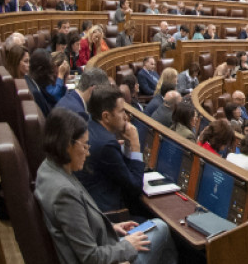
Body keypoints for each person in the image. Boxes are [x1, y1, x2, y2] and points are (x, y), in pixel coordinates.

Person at [35, 108, 177, 264]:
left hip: (104, 241)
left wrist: (110, 226)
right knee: (161, 228)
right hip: (106, 257)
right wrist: (128, 246)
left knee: (154, 227)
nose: (87, 153)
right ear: (68, 145)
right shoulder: (64, 193)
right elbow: (90, 257)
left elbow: (77, 226)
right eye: (84, 146)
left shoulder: (47, 168)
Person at [74, 86, 145, 213]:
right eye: (121, 111)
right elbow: (135, 187)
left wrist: (127, 145)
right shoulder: (106, 144)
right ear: (106, 116)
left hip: (91, 207)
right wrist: (135, 144)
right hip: (110, 217)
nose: (126, 117)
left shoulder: (90, 126)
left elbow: (124, 172)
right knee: (161, 226)